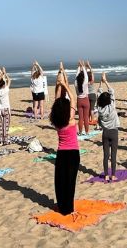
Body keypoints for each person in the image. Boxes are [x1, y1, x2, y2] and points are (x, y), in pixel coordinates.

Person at [51, 62, 80, 214]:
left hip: (62, 154)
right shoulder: (71, 119)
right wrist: (64, 84)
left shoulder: (57, 121)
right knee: (70, 182)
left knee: (60, 182)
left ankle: (63, 207)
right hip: (73, 153)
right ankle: (69, 208)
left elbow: (57, 101)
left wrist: (59, 84)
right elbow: (73, 98)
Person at [96, 73, 119, 181]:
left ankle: (106, 175)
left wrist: (101, 82)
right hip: (114, 132)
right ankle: (113, 175)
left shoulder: (100, 109)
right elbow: (112, 91)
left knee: (106, 155)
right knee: (113, 155)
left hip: (105, 133)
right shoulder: (112, 106)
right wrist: (105, 81)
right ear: (109, 100)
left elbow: (98, 94)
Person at [0, 67, 12, 145]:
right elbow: (9, 80)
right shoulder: (5, 90)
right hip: (6, 109)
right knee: (6, 126)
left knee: (0, 126)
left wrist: (0, 72)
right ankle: (5, 140)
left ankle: (0, 140)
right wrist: (4, 73)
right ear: (4, 85)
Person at [74, 61, 91, 135]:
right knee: (86, 118)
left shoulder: (76, 84)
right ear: (83, 78)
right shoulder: (85, 82)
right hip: (86, 100)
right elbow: (86, 76)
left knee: (80, 118)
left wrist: (78, 67)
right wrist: (82, 66)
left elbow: (76, 75)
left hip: (79, 100)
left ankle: (80, 132)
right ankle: (87, 132)